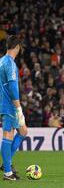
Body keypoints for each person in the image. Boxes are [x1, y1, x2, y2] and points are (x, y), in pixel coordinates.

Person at [0, 35, 28, 180]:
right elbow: (12, 87)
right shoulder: (10, 63)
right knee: (8, 135)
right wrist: (18, 108)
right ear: (17, 47)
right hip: (9, 105)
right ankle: (7, 172)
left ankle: (6, 164)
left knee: (23, 131)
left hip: (4, 103)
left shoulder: (1, 61)